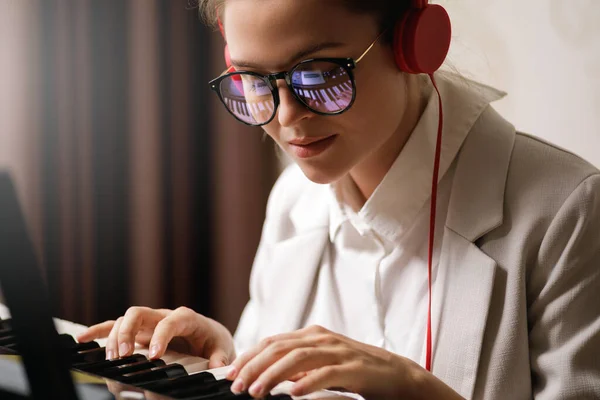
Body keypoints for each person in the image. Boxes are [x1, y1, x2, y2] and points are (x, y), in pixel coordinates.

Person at [77, 1, 600, 399]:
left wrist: (416, 390)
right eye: (255, 81)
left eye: (320, 75)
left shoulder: (567, 211)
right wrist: (220, 362)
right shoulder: (291, 200)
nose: (285, 118)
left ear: (414, 43)